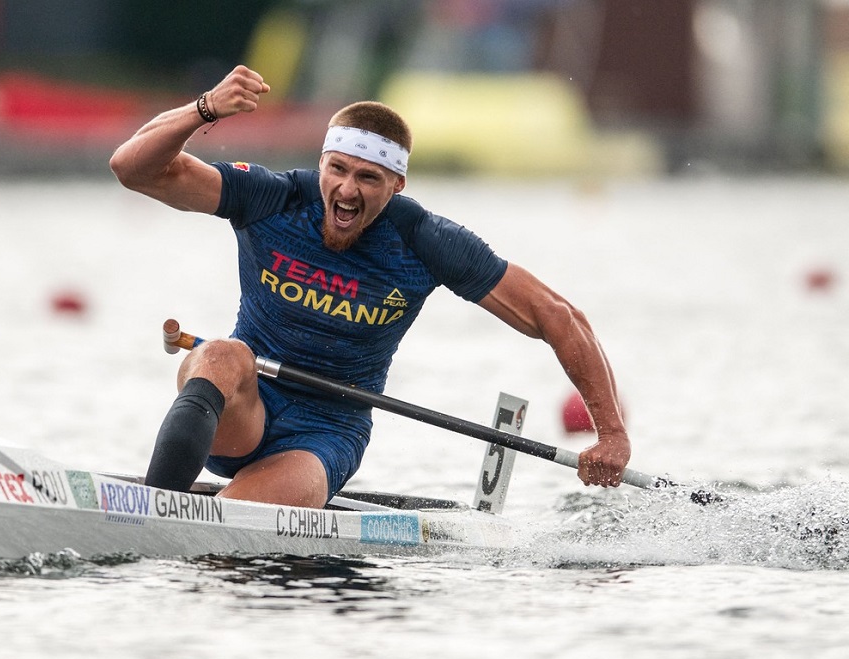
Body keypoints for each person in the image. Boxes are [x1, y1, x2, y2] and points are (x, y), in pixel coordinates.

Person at [109, 65, 630, 509]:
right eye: (337, 170)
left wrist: (611, 435)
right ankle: (158, 508)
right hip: (244, 403)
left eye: (369, 178)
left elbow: (558, 316)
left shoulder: (425, 239)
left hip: (326, 434)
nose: (347, 190)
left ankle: (197, 516)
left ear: (397, 184)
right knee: (220, 353)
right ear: (321, 164)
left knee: (237, 535)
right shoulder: (272, 198)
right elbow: (132, 167)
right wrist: (206, 109)